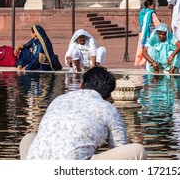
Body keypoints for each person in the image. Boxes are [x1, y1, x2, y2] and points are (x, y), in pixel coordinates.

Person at [19, 66, 147, 160]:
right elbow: (119, 148)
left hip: (35, 166)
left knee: (28, 138)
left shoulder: (59, 99)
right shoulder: (108, 108)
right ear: (108, 96)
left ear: (81, 85)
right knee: (138, 151)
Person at [135, 0, 161, 67]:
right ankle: (149, 64)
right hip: (149, 34)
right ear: (149, 5)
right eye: (153, 5)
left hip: (142, 34)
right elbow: (157, 24)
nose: (154, 6)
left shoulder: (141, 12)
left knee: (142, 48)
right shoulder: (151, 13)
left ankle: (142, 64)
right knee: (150, 50)